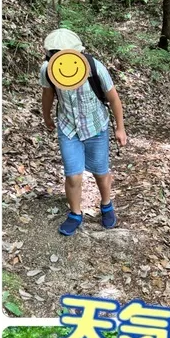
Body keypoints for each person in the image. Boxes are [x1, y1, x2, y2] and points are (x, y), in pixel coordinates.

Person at [40, 28, 127, 236]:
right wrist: (47, 117)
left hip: (96, 127)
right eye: (54, 55)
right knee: (73, 175)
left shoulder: (94, 67)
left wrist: (120, 128)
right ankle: (75, 213)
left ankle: (106, 205)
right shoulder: (48, 70)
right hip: (68, 128)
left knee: (100, 171)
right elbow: (48, 95)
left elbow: (114, 98)